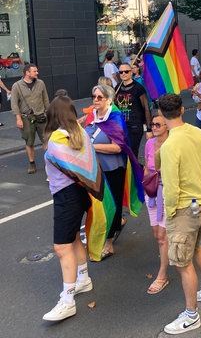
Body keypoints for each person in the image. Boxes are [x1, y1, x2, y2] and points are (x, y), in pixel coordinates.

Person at [156, 93, 201, 335]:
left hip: (183, 207)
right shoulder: (197, 132)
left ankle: (192, 315)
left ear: (162, 115)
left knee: (183, 263)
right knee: (195, 248)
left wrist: (170, 213)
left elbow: (170, 187)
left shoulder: (171, 145)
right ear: (183, 110)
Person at [42, 96, 95, 321]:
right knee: (73, 239)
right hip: (81, 193)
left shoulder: (55, 138)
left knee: (62, 248)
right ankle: (83, 278)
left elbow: (55, 157)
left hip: (66, 197)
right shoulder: (81, 133)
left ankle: (67, 300)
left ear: (53, 115)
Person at [85, 84, 143, 259]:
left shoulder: (115, 118)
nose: (95, 100)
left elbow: (118, 147)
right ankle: (115, 225)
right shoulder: (91, 116)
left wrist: (92, 147)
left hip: (113, 169)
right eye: (94, 96)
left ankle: (109, 243)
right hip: (95, 170)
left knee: (112, 205)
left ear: (109, 100)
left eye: (99, 97)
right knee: (97, 205)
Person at [143, 111, 169, 295]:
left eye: (158, 125)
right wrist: (146, 185)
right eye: (152, 125)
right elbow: (146, 165)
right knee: (156, 234)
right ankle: (172, 253)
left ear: (167, 126)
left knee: (162, 236)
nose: (154, 127)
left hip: (167, 192)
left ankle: (162, 275)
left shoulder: (173, 144)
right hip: (151, 192)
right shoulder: (150, 143)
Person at [10, 63, 50, 174]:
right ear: (27, 73)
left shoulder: (41, 83)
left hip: (41, 116)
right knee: (29, 142)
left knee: (46, 140)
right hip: (26, 118)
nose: (37, 73)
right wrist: (18, 119)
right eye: (34, 71)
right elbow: (14, 104)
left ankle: (50, 162)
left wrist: (51, 114)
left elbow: (46, 100)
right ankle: (32, 163)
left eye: (37, 71)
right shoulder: (16, 86)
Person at [115, 63, 152, 158]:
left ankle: (137, 172)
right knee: (122, 154)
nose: (123, 74)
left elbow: (146, 108)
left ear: (131, 72)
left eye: (126, 71)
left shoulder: (138, 88)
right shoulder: (118, 87)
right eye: (121, 72)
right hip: (121, 126)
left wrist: (149, 129)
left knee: (132, 154)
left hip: (134, 127)